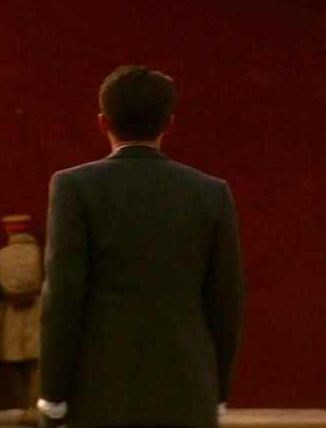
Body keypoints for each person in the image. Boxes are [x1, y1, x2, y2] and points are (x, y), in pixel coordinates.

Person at [38, 65, 244, 428]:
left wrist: (53, 392)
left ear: (102, 122)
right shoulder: (211, 192)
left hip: (99, 387)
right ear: (169, 123)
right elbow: (226, 300)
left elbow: (63, 296)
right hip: (187, 385)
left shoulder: (74, 187)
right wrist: (216, 390)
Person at [0, 214, 42, 426]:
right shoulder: (40, 252)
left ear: (8, 231)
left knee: (13, 362)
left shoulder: (0, 255)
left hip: (9, 310)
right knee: (36, 363)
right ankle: (34, 408)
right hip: (37, 308)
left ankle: (23, 409)